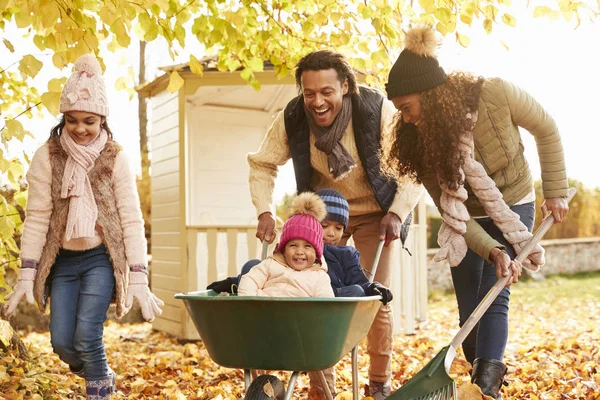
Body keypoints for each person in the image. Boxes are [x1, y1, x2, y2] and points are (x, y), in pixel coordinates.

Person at [382, 26, 569, 399]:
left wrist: (556, 190)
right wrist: (494, 251)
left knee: (495, 294)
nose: (403, 119)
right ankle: (480, 374)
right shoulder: (420, 145)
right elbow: (456, 218)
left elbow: (546, 128)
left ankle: (486, 387)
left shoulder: (496, 94)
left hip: (513, 203)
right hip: (466, 218)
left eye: (407, 107)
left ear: (432, 96)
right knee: (470, 310)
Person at [247, 50, 423, 398]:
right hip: (325, 216)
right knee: (317, 301)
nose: (317, 101)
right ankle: (321, 388)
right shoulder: (294, 117)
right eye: (309, 93)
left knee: (375, 296)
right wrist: (264, 210)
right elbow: (263, 163)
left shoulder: (377, 110)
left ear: (345, 86)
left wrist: (398, 212)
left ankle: (378, 383)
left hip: (377, 211)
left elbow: (412, 167)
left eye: (326, 91)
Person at [2, 54, 164, 400]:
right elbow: (38, 217)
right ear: (63, 118)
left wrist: (139, 274)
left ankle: (99, 392)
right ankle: (100, 372)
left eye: (89, 120)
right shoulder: (48, 156)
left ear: (102, 119)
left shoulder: (115, 157)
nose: (80, 128)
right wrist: (27, 273)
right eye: (72, 120)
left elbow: (130, 217)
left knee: (87, 335)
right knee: (62, 342)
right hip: (62, 261)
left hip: (99, 261)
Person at [238, 192, 334, 298]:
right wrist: (251, 302)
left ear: (316, 253)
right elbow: (250, 280)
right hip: (265, 309)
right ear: (283, 250)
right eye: (293, 245)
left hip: (298, 313)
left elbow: (325, 303)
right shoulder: (271, 264)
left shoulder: (319, 277)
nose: (299, 252)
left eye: (307, 246)